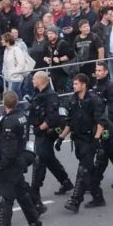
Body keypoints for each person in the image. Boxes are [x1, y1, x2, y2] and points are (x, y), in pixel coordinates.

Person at [0, 90, 44, 226]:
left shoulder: (10, 122)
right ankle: (35, 225)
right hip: (19, 161)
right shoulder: (22, 116)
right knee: (22, 195)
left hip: (11, 165)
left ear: (5, 104)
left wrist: (0, 170)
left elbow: (9, 150)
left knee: (4, 200)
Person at [58, 73, 105, 213]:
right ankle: (98, 197)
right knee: (89, 170)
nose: (74, 86)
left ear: (84, 84)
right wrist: (61, 138)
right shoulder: (72, 100)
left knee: (83, 170)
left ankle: (75, 200)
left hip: (90, 139)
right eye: (73, 83)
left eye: (76, 84)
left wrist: (97, 139)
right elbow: (70, 122)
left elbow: (100, 122)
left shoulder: (94, 100)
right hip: (78, 139)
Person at [27, 70, 72, 207]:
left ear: (41, 80)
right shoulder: (38, 93)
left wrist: (40, 128)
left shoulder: (50, 96)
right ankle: (65, 181)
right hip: (40, 130)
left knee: (39, 158)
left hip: (47, 132)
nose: (32, 81)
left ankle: (35, 190)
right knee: (48, 158)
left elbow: (52, 118)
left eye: (34, 79)